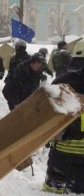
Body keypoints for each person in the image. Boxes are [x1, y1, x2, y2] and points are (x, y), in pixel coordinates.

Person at [43, 66, 84, 194]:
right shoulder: (66, 80)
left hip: (63, 148)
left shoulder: (66, 79)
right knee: (77, 191)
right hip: (69, 150)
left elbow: (48, 110)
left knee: (52, 190)